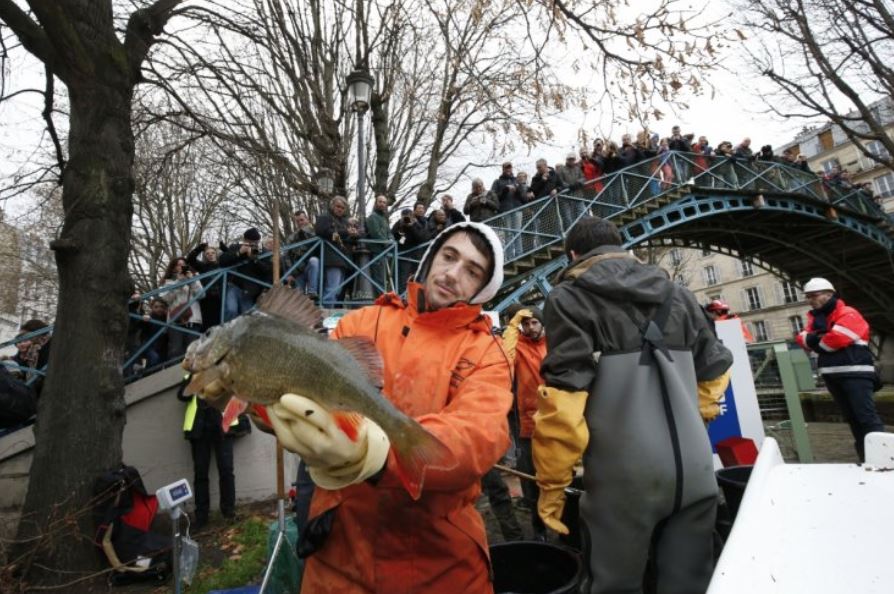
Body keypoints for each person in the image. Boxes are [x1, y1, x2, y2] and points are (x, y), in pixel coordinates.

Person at [265, 221, 512, 593]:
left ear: (482, 289)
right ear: (431, 257)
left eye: (472, 271)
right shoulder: (364, 321)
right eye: (449, 256)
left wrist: (379, 451)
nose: (453, 273)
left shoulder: (485, 352)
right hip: (339, 560)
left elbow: (477, 437)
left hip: (440, 567)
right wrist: (253, 396)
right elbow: (301, 389)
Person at [532, 217, 733, 594]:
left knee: (614, 584)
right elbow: (716, 374)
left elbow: (564, 404)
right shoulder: (679, 294)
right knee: (690, 583)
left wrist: (553, 486)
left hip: (623, 478)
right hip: (696, 469)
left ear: (573, 255)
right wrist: (695, 423)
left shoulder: (568, 297)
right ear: (619, 246)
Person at [795, 277, 884, 462]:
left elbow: (834, 341)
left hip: (856, 373)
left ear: (829, 294)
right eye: (808, 297)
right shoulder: (816, 318)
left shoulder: (848, 313)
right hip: (832, 374)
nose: (810, 300)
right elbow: (801, 339)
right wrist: (818, 339)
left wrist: (815, 340)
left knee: (865, 417)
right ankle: (866, 458)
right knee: (852, 418)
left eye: (814, 295)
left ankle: (883, 457)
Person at [501, 305, 548, 540]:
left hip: (554, 423)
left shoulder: (553, 345)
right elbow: (504, 354)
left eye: (534, 323)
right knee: (530, 478)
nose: (530, 327)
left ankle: (562, 520)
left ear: (542, 323)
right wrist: (512, 325)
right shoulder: (518, 346)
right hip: (527, 424)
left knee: (556, 474)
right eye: (526, 323)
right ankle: (539, 529)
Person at [176, 379, 236, 530]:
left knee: (226, 471)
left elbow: (236, 392)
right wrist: (195, 378)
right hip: (199, 429)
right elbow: (183, 396)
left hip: (222, 426)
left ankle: (229, 513)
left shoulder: (223, 372)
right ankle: (202, 517)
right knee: (201, 474)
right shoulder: (193, 375)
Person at [314, 196, 361, 308]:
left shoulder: (344, 221)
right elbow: (322, 231)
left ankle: (330, 315)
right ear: (332, 206)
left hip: (343, 259)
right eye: (338, 206)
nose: (340, 209)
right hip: (332, 258)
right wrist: (346, 232)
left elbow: (345, 238)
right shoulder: (325, 217)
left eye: (343, 208)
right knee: (331, 289)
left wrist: (354, 235)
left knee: (337, 291)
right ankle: (325, 315)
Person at [219, 228, 273, 319]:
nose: (253, 245)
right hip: (234, 285)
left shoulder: (263, 252)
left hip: (250, 290)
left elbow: (268, 270)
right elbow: (222, 261)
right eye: (250, 242)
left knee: (248, 316)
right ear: (245, 240)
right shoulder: (236, 247)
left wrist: (255, 259)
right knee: (231, 310)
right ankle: (228, 331)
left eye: (255, 242)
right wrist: (239, 253)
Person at [161, 257, 204, 360]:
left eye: (183, 264)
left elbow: (202, 295)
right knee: (176, 351)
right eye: (178, 264)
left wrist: (192, 281)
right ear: (173, 268)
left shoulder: (194, 277)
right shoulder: (167, 282)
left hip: (193, 319)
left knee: (193, 351)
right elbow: (166, 299)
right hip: (175, 321)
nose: (181, 266)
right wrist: (179, 283)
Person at [187, 241, 225, 329]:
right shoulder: (203, 267)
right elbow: (190, 259)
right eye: (207, 254)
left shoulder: (222, 265)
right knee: (208, 325)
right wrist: (200, 248)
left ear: (216, 254)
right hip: (207, 299)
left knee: (221, 323)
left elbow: (232, 258)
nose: (210, 255)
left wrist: (223, 247)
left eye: (212, 253)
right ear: (205, 256)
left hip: (221, 298)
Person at [285, 211, 321, 299]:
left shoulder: (315, 232)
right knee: (298, 298)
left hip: (311, 267)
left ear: (307, 219)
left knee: (314, 260)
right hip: (297, 269)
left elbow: (317, 244)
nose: (300, 223)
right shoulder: (292, 236)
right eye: (297, 221)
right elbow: (286, 255)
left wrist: (306, 231)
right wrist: (289, 273)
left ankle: (312, 291)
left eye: (301, 220)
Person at [364, 195, 393, 293]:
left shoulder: (384, 219)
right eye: (380, 202)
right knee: (378, 278)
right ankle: (380, 299)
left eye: (384, 202)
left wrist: (391, 240)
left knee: (384, 277)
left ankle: (382, 297)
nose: (382, 204)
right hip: (377, 251)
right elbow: (375, 233)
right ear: (376, 203)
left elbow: (389, 233)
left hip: (384, 252)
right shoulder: (372, 217)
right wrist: (387, 243)